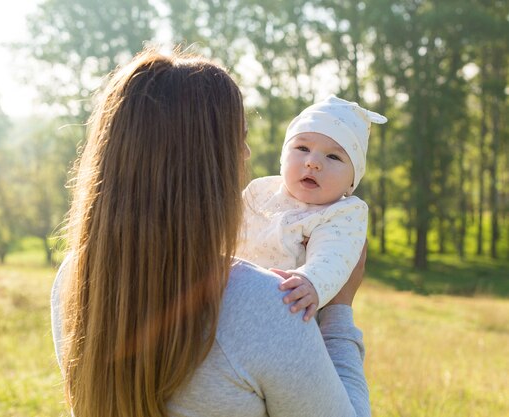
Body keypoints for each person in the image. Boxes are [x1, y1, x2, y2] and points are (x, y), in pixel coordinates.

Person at [51, 47, 370, 417]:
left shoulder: (76, 280)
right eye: (239, 138)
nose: (247, 154)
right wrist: (339, 311)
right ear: (207, 164)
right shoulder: (268, 304)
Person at [236, 95, 387, 321]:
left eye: (334, 156)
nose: (313, 162)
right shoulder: (261, 190)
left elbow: (333, 256)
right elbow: (223, 224)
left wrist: (310, 280)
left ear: (351, 182)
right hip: (232, 295)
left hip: (287, 307)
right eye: (303, 148)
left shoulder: (342, 213)